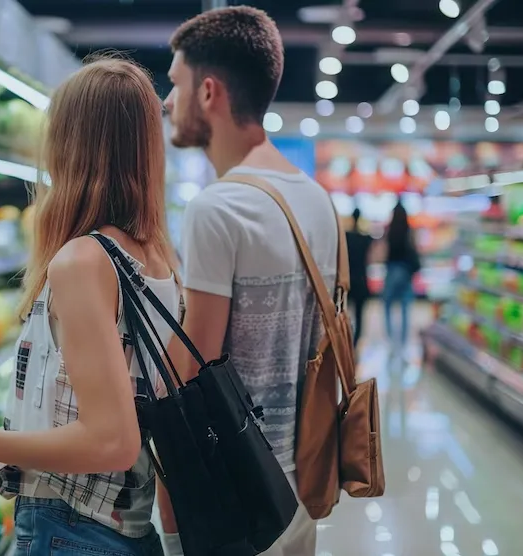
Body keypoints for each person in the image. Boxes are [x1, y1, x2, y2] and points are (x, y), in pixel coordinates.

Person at [0, 56, 179, 556]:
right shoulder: (156, 256)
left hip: (75, 532)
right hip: (126, 530)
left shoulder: (83, 261)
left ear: (69, 144)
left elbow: (111, 442)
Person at [159, 7, 339, 556]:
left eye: (175, 84)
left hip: (237, 500)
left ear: (209, 91)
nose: (167, 102)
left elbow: (193, 371)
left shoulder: (220, 207)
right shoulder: (316, 198)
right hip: (301, 485)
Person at [382, 200, 419, 347]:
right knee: (404, 306)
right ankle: (403, 339)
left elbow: (385, 250)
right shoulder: (409, 230)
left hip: (392, 269)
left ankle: (390, 337)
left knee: (387, 304)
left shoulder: (390, 231)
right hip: (405, 270)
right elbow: (414, 248)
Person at [346, 208, 374, 347]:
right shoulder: (365, 239)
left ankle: (346, 340)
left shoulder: (346, 237)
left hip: (347, 281)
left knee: (344, 314)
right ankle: (355, 343)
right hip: (361, 281)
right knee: (359, 316)